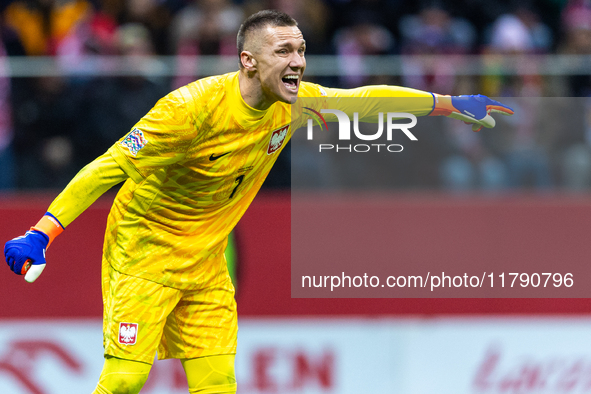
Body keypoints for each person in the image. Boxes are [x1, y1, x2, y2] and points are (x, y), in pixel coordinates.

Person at [3, 9, 514, 394]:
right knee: (125, 380)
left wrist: (450, 104)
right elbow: (104, 169)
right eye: (284, 52)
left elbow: (364, 99)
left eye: (301, 50)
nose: (298, 62)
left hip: (205, 260)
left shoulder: (290, 106)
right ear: (249, 60)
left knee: (219, 382)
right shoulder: (188, 111)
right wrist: (42, 232)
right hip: (144, 252)